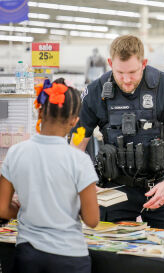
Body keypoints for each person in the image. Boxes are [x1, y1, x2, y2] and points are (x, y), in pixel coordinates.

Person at [71, 34, 164, 230]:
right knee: (110, 255)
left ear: (144, 63)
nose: (126, 80)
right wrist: (83, 183)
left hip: (159, 186)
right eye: (119, 72)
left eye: (133, 72)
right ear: (110, 63)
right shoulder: (95, 91)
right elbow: (77, 143)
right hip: (113, 189)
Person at [0, 78, 99, 273]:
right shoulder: (79, 161)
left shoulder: (16, 153)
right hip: (70, 259)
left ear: (39, 111)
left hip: (29, 256)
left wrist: (25, 210)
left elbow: (2, 209)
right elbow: (92, 219)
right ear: (74, 121)